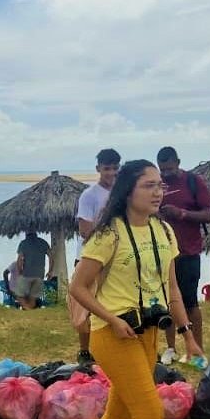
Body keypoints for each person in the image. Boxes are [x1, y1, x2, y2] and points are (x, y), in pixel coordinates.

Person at [69, 160, 203, 419]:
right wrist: (110, 318)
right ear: (128, 190)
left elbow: (173, 290)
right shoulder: (107, 234)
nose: (159, 192)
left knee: (121, 407)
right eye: (149, 186)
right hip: (113, 336)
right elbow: (78, 288)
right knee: (149, 411)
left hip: (146, 334)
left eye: (160, 186)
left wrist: (188, 333)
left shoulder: (163, 231)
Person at [157, 146, 210, 361]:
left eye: (170, 169)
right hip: (163, 253)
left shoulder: (193, 182)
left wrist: (181, 213)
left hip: (188, 251)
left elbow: (207, 215)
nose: (166, 174)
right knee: (166, 303)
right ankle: (171, 348)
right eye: (163, 170)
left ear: (178, 162)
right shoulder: (158, 185)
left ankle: (197, 349)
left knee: (190, 303)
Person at [70, 148, 121, 364]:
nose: (110, 173)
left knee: (111, 306)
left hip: (115, 261)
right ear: (98, 169)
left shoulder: (122, 194)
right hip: (90, 258)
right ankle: (84, 350)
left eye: (114, 168)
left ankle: (107, 347)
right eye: (106, 168)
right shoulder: (89, 196)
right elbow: (84, 230)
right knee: (86, 308)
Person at [12, 231, 51, 310]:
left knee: (18, 294)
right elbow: (51, 258)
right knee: (33, 297)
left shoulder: (23, 243)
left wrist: (19, 273)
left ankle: (27, 309)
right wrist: (50, 271)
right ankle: (30, 311)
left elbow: (20, 260)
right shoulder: (43, 242)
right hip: (39, 275)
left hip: (26, 275)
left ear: (26, 234)